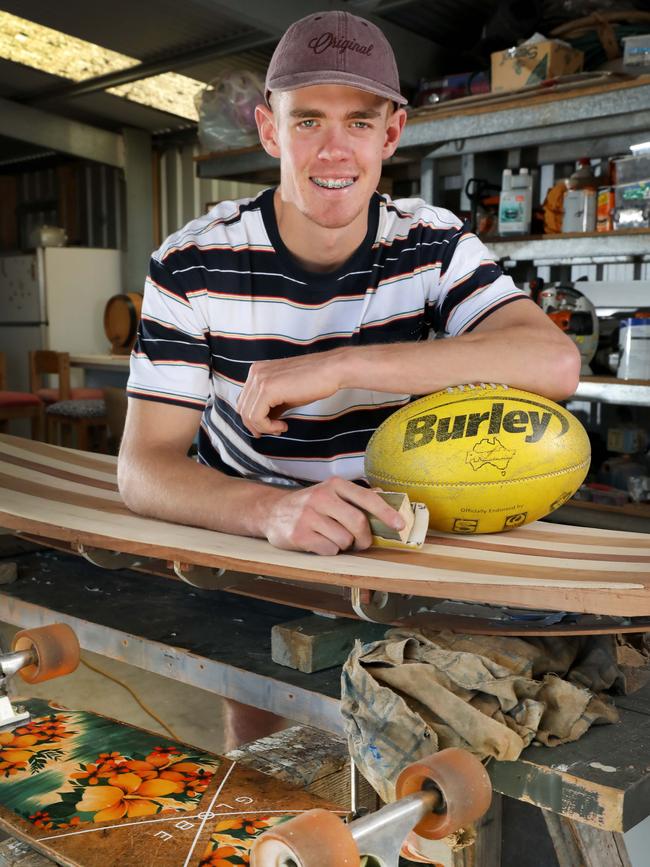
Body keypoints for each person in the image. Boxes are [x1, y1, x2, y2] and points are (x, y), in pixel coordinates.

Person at [119, 10, 580, 558]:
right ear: (271, 131)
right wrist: (267, 511)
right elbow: (143, 468)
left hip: (393, 544)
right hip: (247, 545)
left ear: (391, 133)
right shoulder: (192, 260)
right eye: (308, 121)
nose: (334, 151)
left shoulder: (430, 243)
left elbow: (555, 364)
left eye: (359, 122)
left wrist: (341, 367)